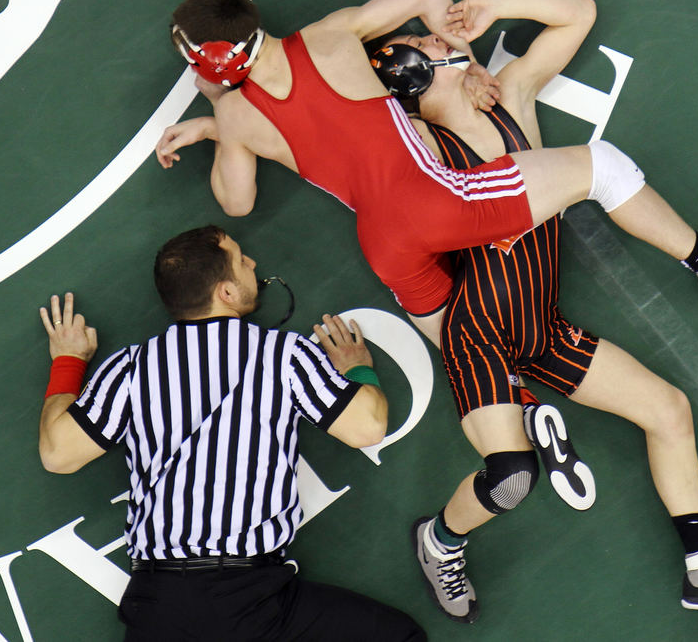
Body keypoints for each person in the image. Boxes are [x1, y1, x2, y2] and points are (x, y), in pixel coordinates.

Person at [367, 0, 698, 621]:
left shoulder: (510, 99)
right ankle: (440, 539)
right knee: (510, 480)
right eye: (427, 43)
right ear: (410, 74)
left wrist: (496, 6)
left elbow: (580, 14)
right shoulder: (422, 159)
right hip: (479, 338)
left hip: (542, 329)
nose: (443, 37)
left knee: (668, 410)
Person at [154, 0, 698, 350]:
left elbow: (236, 202)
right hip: (437, 198)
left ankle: (514, 413)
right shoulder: (330, 33)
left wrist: (218, 121)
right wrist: (462, 45)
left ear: (212, 65)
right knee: (600, 165)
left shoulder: (239, 119)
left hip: (381, 241)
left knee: (468, 349)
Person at [36, 225, 425, 641]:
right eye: (242, 261)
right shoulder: (281, 353)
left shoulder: (131, 368)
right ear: (224, 292)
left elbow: (58, 453)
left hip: (158, 604)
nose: (253, 265)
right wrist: (356, 368)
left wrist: (69, 360)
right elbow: (367, 427)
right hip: (246, 599)